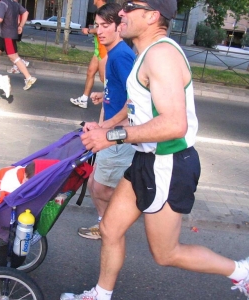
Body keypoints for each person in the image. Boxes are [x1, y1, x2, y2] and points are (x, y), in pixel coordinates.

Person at [61, 1, 249, 299]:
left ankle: (242, 272)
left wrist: (113, 138)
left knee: (166, 253)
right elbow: (134, 104)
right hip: (146, 158)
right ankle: (101, 294)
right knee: (110, 229)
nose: (121, 12)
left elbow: (175, 124)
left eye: (129, 7)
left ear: (152, 16)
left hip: (168, 162)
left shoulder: (162, 55)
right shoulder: (145, 52)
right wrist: (105, 127)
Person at [77, 3, 135, 240]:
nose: (99, 31)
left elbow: (135, 100)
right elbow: (122, 90)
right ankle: (106, 224)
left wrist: (108, 127)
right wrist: (105, 95)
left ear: (119, 27)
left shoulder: (121, 55)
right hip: (112, 131)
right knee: (94, 183)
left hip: (119, 134)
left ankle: (116, 223)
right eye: (97, 25)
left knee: (100, 188)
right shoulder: (113, 54)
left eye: (105, 25)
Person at [0, 0, 37, 92]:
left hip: (7, 35)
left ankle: (29, 78)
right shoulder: (15, 4)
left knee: (13, 56)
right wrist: (21, 26)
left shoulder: (2, 3)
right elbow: (26, 12)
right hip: (6, 35)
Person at [70, 0, 107, 109]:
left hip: (104, 48)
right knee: (90, 72)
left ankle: (114, 101)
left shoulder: (105, 10)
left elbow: (103, 28)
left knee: (104, 78)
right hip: (98, 47)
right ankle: (84, 99)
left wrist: (89, 31)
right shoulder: (100, 10)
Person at [6, 0, 29, 75]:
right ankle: (17, 65)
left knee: (11, 53)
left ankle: (21, 64)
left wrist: (20, 25)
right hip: (12, 30)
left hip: (12, 31)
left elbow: (23, 14)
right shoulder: (16, 5)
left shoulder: (15, 5)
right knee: (12, 51)